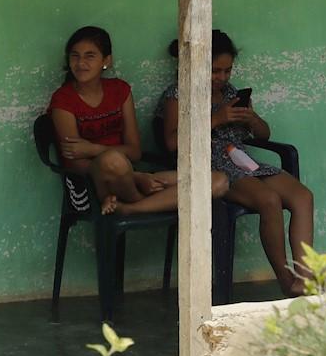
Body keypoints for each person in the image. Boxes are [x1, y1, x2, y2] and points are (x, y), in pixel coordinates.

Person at [157, 31, 316, 297]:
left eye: (227, 71)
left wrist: (252, 120)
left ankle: (306, 277)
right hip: (211, 168)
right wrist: (217, 119)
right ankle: (285, 278)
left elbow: (264, 135)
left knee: (303, 196)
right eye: (215, 71)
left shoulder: (231, 93)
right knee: (268, 200)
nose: (221, 77)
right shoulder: (178, 94)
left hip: (243, 161)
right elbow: (172, 143)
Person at [48, 26, 228, 216]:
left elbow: (134, 152)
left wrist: (93, 149)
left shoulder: (120, 90)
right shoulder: (63, 99)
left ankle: (132, 208)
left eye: (90, 56)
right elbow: (76, 162)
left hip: (130, 178)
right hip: (89, 186)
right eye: (75, 56)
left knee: (218, 181)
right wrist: (131, 173)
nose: (81, 63)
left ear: (106, 61)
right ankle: (146, 201)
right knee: (113, 160)